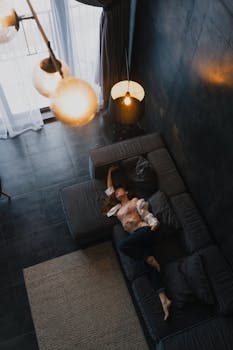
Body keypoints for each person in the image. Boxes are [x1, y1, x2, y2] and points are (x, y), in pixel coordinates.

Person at [102, 165, 172, 320]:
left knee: (122, 246)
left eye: (120, 189)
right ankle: (164, 299)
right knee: (150, 269)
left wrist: (154, 223)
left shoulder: (135, 201)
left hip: (145, 231)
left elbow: (146, 215)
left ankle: (148, 258)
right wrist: (109, 172)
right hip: (137, 241)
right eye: (117, 190)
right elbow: (109, 191)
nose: (117, 191)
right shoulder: (117, 209)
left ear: (126, 192)